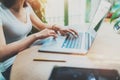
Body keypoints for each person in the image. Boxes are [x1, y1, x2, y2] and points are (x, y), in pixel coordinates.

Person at [0, 0, 78, 80]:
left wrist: (57, 27)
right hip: (11, 64)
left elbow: (41, 25)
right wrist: (35, 36)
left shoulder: (26, 6)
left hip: (26, 53)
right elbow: (1, 53)